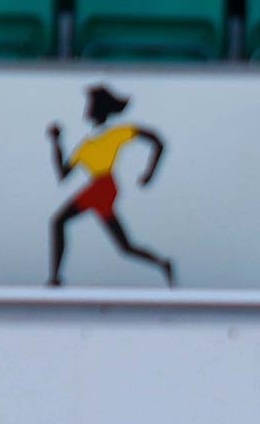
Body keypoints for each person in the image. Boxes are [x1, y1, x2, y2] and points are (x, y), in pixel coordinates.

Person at [47, 84, 174, 288]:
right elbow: (63, 174)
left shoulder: (117, 133)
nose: (86, 109)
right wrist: (56, 143)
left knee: (58, 221)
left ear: (99, 109)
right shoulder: (85, 145)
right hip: (99, 188)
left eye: (90, 105)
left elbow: (158, 141)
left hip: (104, 187)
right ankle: (163, 263)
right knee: (125, 247)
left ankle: (55, 278)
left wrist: (149, 173)